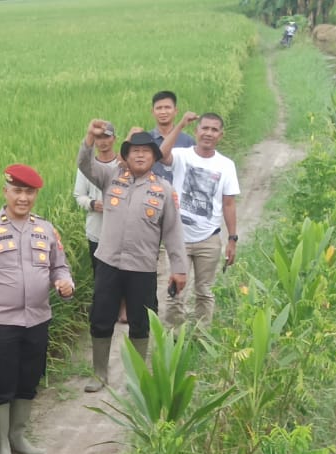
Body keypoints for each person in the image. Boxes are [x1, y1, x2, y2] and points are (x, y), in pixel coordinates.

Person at [0, 164, 76, 454]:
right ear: (6, 192)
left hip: (37, 320)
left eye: (30, 192)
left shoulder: (46, 229)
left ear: (36, 194)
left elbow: (59, 267)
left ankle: (18, 437)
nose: (23, 198)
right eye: (18, 191)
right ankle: (0, 448)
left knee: (28, 380)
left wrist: (65, 283)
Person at [76, 121, 187, 392]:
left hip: (142, 267)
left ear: (154, 157)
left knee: (141, 320)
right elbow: (84, 164)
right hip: (108, 263)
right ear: (125, 155)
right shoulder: (111, 177)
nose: (140, 155)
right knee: (101, 317)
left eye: (146, 152)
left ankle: (137, 377)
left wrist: (180, 268)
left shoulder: (162, 189)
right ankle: (100, 374)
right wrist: (89, 136)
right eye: (134, 151)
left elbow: (173, 232)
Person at [159, 111, 240, 328]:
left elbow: (229, 204)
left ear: (220, 135)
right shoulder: (182, 155)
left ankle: (200, 337)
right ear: (196, 131)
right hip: (178, 238)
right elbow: (160, 154)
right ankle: (173, 337)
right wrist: (180, 124)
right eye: (204, 128)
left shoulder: (226, 165)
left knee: (205, 291)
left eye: (214, 130)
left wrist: (232, 239)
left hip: (209, 239)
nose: (208, 133)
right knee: (176, 289)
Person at [149, 91, 196, 317]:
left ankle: (175, 308)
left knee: (176, 253)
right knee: (148, 258)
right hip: (151, 205)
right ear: (153, 112)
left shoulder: (187, 142)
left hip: (179, 209)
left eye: (168, 107)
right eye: (159, 108)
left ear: (175, 111)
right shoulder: (146, 140)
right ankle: (146, 306)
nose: (163, 111)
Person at [73, 124, 124, 321]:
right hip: (96, 229)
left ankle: (122, 306)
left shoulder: (122, 165)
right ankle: (104, 311)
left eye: (106, 137)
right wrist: (93, 204)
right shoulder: (87, 167)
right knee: (100, 274)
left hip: (120, 231)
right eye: (98, 138)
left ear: (114, 138)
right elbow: (79, 195)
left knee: (121, 271)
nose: (102, 141)